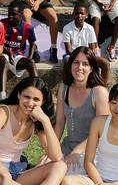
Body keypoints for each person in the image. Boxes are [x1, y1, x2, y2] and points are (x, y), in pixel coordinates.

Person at [44, 47, 109, 178]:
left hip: (91, 151)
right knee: (43, 169)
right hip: (67, 148)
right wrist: (50, 151)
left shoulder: (99, 92)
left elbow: (101, 133)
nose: (80, 67)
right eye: (76, 62)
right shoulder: (64, 88)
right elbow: (60, 124)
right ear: (70, 65)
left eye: (85, 64)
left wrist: (77, 151)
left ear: (91, 68)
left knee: (62, 176)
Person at [0, 0, 38, 101]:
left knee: (31, 63)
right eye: (9, 13)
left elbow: (32, 43)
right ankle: (3, 97)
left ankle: (39, 91)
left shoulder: (28, 28)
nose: (10, 16)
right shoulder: (2, 23)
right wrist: (8, 52)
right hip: (3, 53)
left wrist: (29, 57)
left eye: (13, 14)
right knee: (4, 60)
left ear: (21, 14)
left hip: (17, 57)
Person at [61, 4, 110, 85]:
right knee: (66, 61)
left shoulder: (90, 28)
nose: (79, 16)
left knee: (105, 63)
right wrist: (80, 58)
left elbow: (92, 48)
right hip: (72, 55)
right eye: (77, 13)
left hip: (88, 55)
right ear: (73, 14)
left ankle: (102, 87)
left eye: (82, 14)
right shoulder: (67, 28)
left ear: (86, 16)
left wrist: (85, 57)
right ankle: (67, 86)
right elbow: (68, 50)